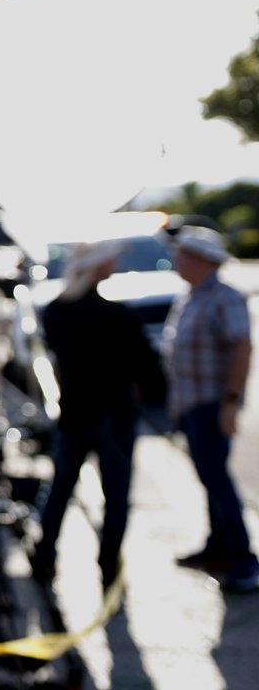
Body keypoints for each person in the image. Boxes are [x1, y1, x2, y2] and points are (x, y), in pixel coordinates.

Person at [29, 240, 166, 592]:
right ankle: (109, 566)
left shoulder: (56, 311)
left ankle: (44, 556)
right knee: (115, 497)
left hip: (74, 414)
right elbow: (148, 370)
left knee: (60, 489)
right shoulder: (119, 316)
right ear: (100, 267)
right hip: (114, 417)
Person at [162, 225, 258, 593]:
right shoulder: (192, 295)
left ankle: (243, 559)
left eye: (182, 254)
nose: (176, 260)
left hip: (211, 404)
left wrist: (231, 403)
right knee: (209, 476)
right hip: (190, 402)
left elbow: (242, 348)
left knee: (217, 479)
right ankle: (219, 547)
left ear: (202, 260)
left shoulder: (224, 297)